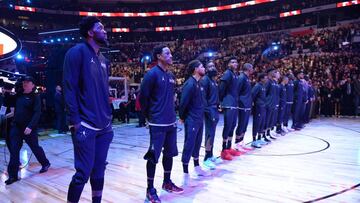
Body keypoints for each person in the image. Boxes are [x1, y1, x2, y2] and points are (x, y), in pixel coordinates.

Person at [63, 16, 114, 203]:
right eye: (101, 27)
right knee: (83, 173)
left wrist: (108, 111)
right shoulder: (76, 53)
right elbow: (69, 88)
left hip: (104, 125)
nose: (105, 30)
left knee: (99, 170)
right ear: (90, 32)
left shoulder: (103, 59)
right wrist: (75, 121)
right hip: (85, 124)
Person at [140, 45, 183, 203]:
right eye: (167, 53)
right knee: (153, 157)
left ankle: (167, 182)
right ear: (159, 56)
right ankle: (150, 190)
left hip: (171, 121)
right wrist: (148, 117)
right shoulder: (151, 75)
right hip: (157, 123)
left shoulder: (171, 75)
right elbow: (143, 98)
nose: (171, 55)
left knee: (170, 153)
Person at [5, 76, 51, 185]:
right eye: (24, 82)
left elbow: (37, 113)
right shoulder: (18, 95)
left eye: (27, 82)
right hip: (16, 127)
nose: (25, 83)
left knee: (35, 147)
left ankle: (45, 163)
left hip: (29, 128)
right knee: (14, 150)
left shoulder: (35, 97)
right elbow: (9, 96)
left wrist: (30, 126)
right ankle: (13, 176)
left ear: (33, 85)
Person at [179, 60, 210, 187]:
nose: (204, 68)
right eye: (202, 66)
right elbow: (183, 102)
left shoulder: (199, 84)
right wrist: (182, 117)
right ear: (196, 69)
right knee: (189, 144)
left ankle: (197, 167)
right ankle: (185, 172)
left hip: (199, 118)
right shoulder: (190, 84)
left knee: (197, 144)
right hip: (191, 119)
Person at [219, 56, 242, 161]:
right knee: (228, 125)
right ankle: (224, 150)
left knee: (233, 125)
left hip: (234, 103)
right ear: (228, 64)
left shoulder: (235, 74)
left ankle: (229, 147)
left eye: (236, 62)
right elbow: (221, 88)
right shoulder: (227, 73)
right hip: (228, 103)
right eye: (232, 62)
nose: (235, 63)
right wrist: (221, 101)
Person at [200, 61, 222, 169]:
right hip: (209, 110)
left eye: (213, 66)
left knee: (212, 134)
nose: (212, 67)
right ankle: (206, 158)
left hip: (214, 108)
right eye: (209, 66)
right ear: (206, 69)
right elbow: (203, 97)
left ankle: (211, 154)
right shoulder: (205, 80)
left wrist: (218, 105)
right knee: (209, 133)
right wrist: (207, 110)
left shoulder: (214, 80)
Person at [234, 63, 254, 152]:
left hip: (247, 104)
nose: (253, 69)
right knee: (241, 124)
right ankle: (237, 143)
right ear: (248, 68)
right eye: (252, 68)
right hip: (242, 105)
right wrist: (239, 103)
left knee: (245, 124)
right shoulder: (241, 78)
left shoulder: (247, 78)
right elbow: (236, 91)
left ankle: (241, 141)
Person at [251, 73, 268, 148]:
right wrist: (255, 104)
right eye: (265, 78)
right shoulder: (257, 86)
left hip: (263, 107)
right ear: (261, 79)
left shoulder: (263, 86)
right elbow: (252, 95)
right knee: (257, 123)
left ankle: (259, 138)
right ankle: (254, 141)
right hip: (258, 108)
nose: (266, 79)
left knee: (262, 123)